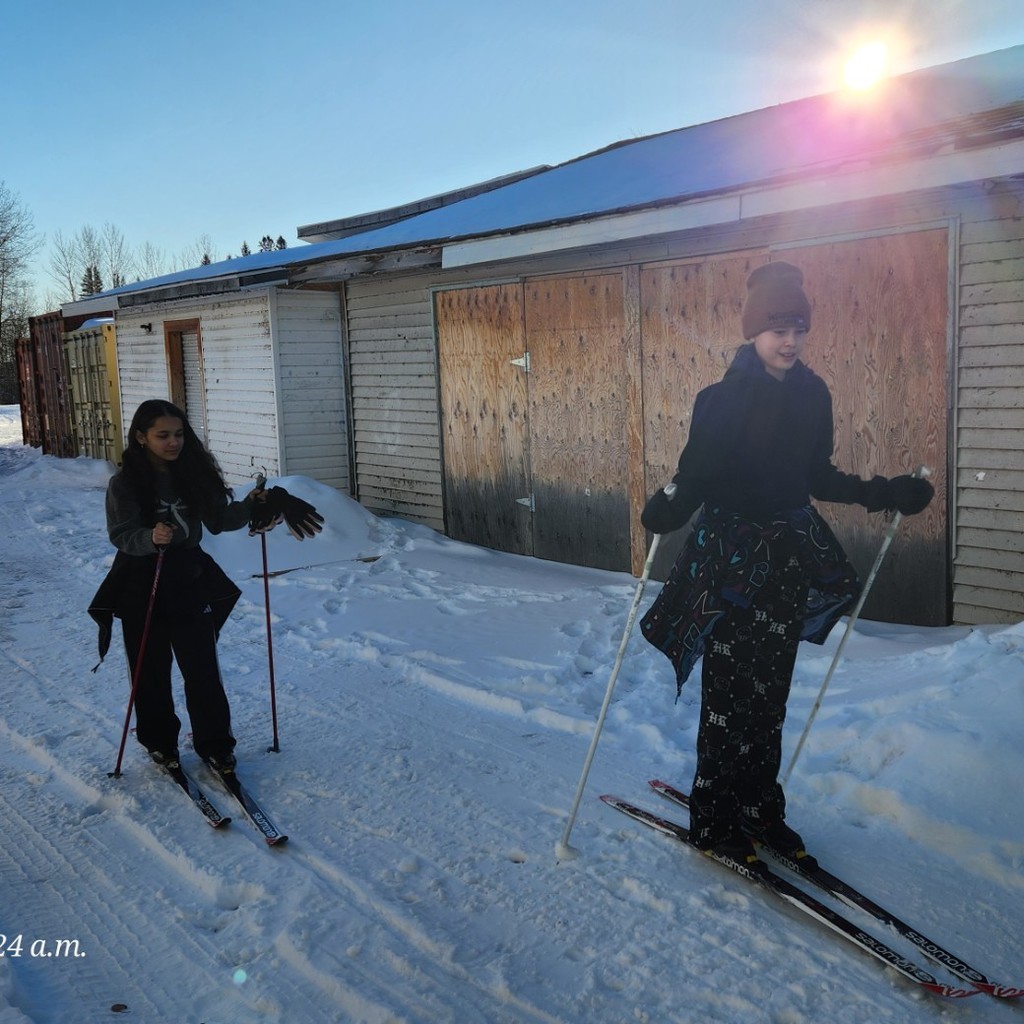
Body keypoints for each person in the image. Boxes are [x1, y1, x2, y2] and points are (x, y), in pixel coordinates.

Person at [638, 261, 933, 870]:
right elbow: (694, 477)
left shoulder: (812, 394)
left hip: (787, 559)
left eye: (798, 326)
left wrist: (887, 492)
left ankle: (757, 808)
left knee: (769, 697)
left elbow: (817, 476)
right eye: (777, 327)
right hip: (729, 564)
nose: (790, 339)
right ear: (752, 331)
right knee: (728, 694)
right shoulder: (718, 401)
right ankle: (713, 815)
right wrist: (667, 509)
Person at [89, 399, 323, 772]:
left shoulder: (192, 474)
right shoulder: (125, 483)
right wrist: (149, 536)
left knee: (201, 666)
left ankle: (215, 743)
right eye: (162, 435)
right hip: (140, 581)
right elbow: (121, 534)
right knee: (149, 668)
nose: (173, 442)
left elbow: (218, 520)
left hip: (187, 576)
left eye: (179, 434)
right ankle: (160, 742)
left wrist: (253, 505)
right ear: (141, 437)